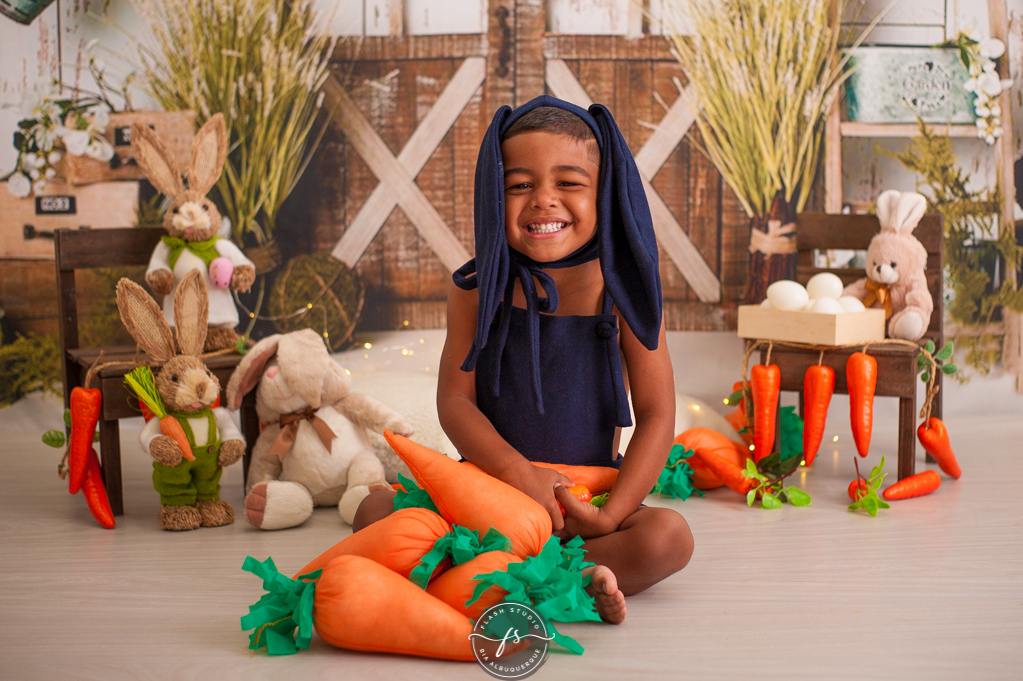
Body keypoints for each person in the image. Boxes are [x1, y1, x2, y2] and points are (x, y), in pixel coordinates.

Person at [354, 96, 693, 624]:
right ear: (494, 194)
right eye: (519, 185)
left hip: (581, 503)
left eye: (569, 182)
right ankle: (559, 580)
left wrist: (610, 517)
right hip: (487, 492)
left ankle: (499, 577)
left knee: (668, 538)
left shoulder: (625, 291)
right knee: (373, 511)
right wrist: (517, 474)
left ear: (604, 192)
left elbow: (657, 414)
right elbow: (455, 401)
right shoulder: (475, 289)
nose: (543, 200)